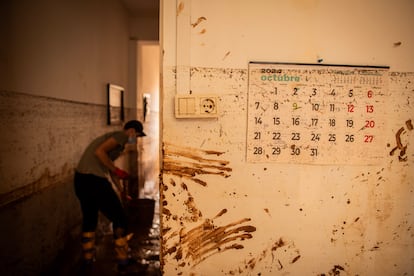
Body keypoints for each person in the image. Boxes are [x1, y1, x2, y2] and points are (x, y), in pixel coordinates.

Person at [74, 120, 146, 271]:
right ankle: (123, 260)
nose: (136, 139)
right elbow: (99, 152)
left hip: (81, 181)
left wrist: (120, 189)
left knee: (90, 218)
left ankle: (87, 261)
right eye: (137, 136)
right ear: (132, 131)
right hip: (94, 181)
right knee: (120, 218)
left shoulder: (117, 144)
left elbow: (109, 168)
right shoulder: (121, 136)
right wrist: (116, 170)